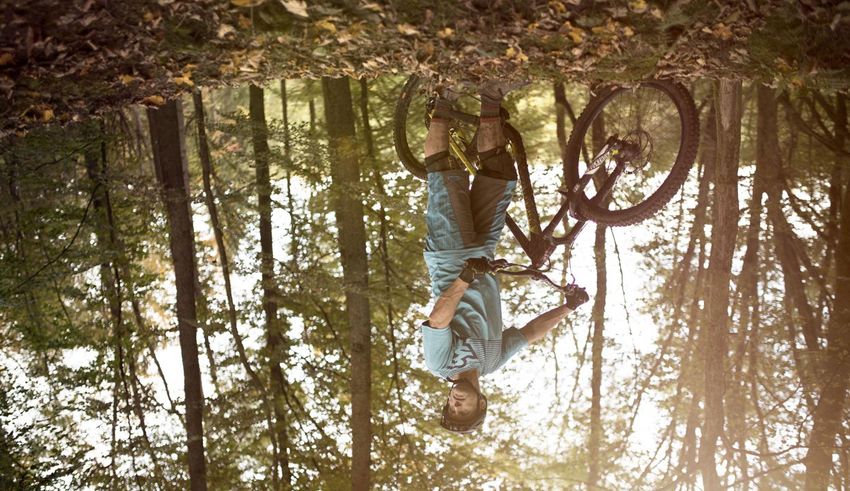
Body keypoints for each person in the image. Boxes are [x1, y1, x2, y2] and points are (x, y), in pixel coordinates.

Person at [420, 80, 590, 434]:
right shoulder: (492, 360)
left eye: (451, 408)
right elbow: (531, 332)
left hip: (451, 255)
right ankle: (490, 94)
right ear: (481, 403)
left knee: (442, 173)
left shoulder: (441, 364)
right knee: (500, 172)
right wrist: (567, 307)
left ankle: (443, 99)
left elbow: (438, 320)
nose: (456, 404)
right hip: (483, 253)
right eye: (464, 411)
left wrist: (465, 276)